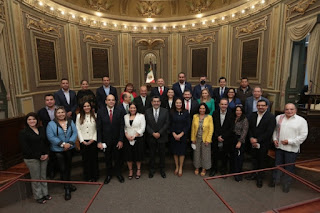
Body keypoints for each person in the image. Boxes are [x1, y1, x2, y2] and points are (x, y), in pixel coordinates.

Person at [270, 103, 308, 192]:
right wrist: (274, 139)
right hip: (279, 147)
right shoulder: (279, 117)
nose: (289, 111)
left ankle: (286, 184)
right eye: (287, 109)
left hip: (291, 149)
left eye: (291, 109)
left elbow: (303, 135)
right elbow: (275, 130)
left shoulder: (301, 121)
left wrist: (290, 142)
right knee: (277, 166)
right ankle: (275, 181)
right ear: (284, 110)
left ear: (295, 110)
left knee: (289, 167)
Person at [46, 106, 78, 200]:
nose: (61, 114)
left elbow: (74, 133)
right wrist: (63, 144)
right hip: (58, 150)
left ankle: (68, 184)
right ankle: (67, 189)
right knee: (63, 168)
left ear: (65, 113)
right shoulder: (51, 124)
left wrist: (70, 143)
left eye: (62, 112)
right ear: (56, 114)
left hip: (70, 148)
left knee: (68, 167)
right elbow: (50, 137)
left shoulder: (70, 121)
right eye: (59, 113)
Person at [19, 112, 51, 204]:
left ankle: (45, 193)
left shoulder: (41, 129)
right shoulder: (23, 132)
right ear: (26, 121)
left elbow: (46, 142)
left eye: (33, 119)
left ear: (37, 120)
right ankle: (38, 196)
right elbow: (25, 148)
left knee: (43, 176)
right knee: (36, 177)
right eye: (29, 119)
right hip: (31, 159)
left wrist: (46, 153)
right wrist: (38, 156)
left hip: (44, 156)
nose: (32, 121)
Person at [246, 100, 276, 188]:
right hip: (252, 142)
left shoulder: (271, 117)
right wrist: (251, 138)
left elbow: (269, 132)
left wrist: (257, 140)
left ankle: (260, 178)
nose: (260, 107)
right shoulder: (253, 115)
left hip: (263, 143)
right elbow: (249, 128)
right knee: (254, 159)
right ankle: (254, 174)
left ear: (267, 106)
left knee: (261, 161)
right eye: (258, 105)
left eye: (262, 105)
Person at [97, 94, 125, 184]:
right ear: (106, 101)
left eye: (113, 100)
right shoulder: (100, 111)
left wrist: (121, 140)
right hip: (106, 140)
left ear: (115, 101)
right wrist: (99, 141)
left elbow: (122, 126)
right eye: (109, 100)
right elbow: (99, 128)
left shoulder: (119, 110)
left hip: (117, 140)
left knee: (118, 158)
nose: (111, 101)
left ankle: (118, 173)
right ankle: (109, 174)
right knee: (107, 158)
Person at [145, 96, 170, 178]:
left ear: (160, 102)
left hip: (162, 136)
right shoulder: (147, 111)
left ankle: (162, 170)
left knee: (162, 155)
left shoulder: (165, 111)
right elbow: (146, 124)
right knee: (152, 155)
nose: (156, 103)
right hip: (151, 137)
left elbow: (167, 123)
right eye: (154, 101)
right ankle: (151, 170)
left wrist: (159, 132)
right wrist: (152, 133)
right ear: (152, 103)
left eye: (157, 101)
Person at [211, 99, 235, 177]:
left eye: (225, 104)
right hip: (215, 137)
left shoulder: (231, 114)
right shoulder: (215, 113)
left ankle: (223, 170)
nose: (223, 106)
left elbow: (231, 127)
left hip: (226, 138)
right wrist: (217, 136)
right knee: (214, 154)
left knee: (225, 155)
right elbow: (212, 126)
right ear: (219, 105)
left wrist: (223, 136)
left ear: (227, 105)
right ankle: (214, 169)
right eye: (222, 104)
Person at [76, 101, 98, 182]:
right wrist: (82, 140)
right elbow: (78, 129)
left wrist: (93, 138)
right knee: (86, 160)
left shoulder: (95, 116)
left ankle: (94, 176)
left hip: (93, 140)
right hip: (83, 141)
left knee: (94, 159)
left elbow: (97, 128)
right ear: (82, 108)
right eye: (85, 106)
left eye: (88, 106)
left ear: (91, 107)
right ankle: (87, 177)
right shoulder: (79, 116)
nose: (87, 108)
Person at [124, 103, 146, 180]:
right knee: (129, 156)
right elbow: (124, 127)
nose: (132, 109)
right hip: (128, 138)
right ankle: (130, 171)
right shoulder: (125, 116)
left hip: (138, 138)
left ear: (136, 109)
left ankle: (138, 170)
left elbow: (143, 127)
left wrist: (135, 135)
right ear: (129, 109)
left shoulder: (141, 116)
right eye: (131, 108)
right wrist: (126, 135)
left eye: (134, 108)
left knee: (138, 155)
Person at [37, 94, 57, 180]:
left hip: (59, 135)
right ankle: (51, 171)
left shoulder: (59, 109)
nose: (49, 101)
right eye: (47, 100)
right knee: (51, 154)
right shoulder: (41, 112)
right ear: (45, 102)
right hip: (47, 136)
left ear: (54, 100)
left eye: (51, 99)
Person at [191, 103, 213, 176]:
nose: (202, 110)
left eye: (203, 108)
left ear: (206, 109)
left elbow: (211, 129)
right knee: (196, 154)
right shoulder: (195, 116)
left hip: (205, 139)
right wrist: (193, 138)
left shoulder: (209, 117)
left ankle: (204, 168)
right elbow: (193, 129)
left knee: (205, 154)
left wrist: (208, 140)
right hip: (197, 138)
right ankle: (197, 167)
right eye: (201, 108)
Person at [170, 98, 190, 177]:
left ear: (182, 104)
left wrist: (181, 134)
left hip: (183, 135)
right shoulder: (171, 112)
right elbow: (170, 124)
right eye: (177, 103)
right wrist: (174, 134)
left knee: (181, 152)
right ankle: (177, 167)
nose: (178, 104)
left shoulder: (186, 112)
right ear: (174, 104)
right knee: (175, 152)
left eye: (180, 103)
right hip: (174, 135)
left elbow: (188, 125)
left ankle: (181, 167)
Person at [233, 105, 249, 182]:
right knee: (234, 156)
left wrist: (240, 142)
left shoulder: (244, 119)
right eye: (237, 110)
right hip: (233, 138)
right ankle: (233, 171)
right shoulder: (234, 118)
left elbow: (244, 131)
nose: (238, 112)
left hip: (240, 139)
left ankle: (238, 174)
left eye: (240, 110)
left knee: (239, 158)